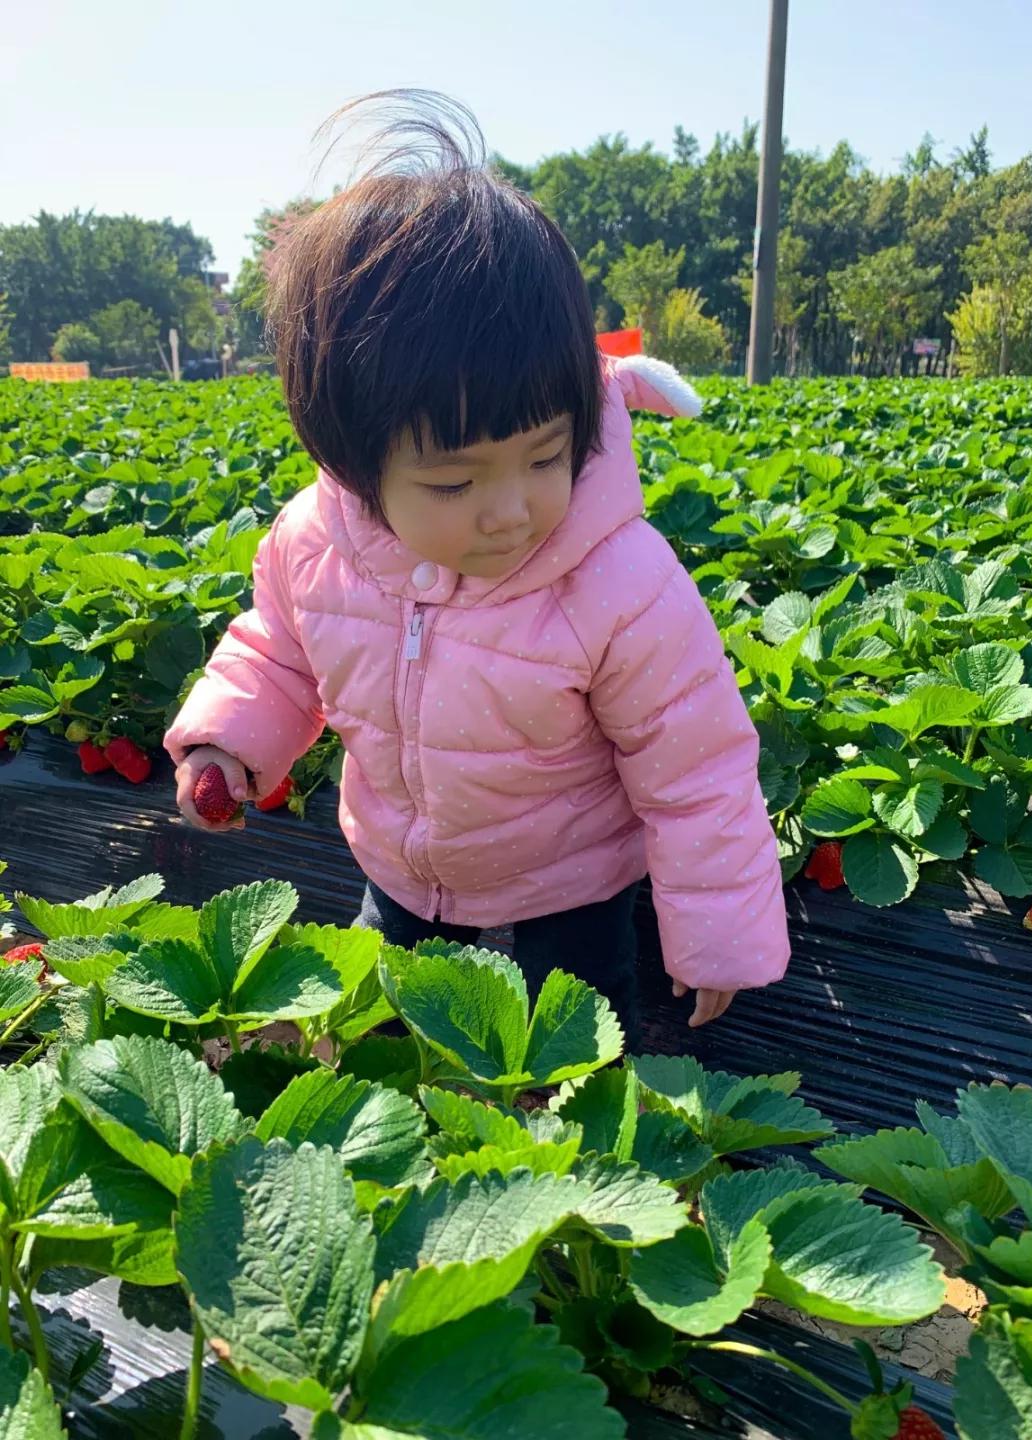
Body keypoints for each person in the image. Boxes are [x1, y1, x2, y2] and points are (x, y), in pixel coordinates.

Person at [165, 92, 789, 1044]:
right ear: (354, 461)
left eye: (546, 457)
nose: (514, 509)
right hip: (400, 870)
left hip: (573, 885)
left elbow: (697, 769)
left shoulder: (620, 583)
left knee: (572, 1057)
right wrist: (228, 744)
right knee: (382, 1040)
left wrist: (719, 938)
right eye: (455, 481)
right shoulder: (312, 544)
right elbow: (278, 655)